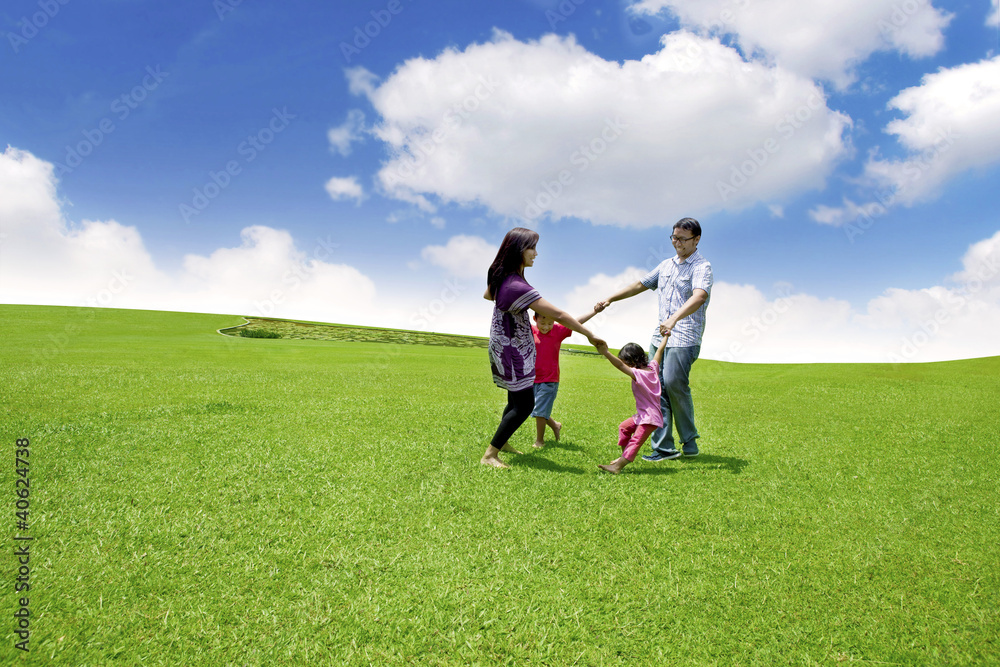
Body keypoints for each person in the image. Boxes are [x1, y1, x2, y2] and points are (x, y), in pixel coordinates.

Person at [483, 227, 605, 469]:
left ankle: (502, 442)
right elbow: (558, 314)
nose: (536, 253)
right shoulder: (517, 285)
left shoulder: (500, 274)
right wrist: (590, 334)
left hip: (505, 345)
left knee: (515, 401)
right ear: (519, 250)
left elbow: (488, 295)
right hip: (513, 350)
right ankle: (490, 455)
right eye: (532, 248)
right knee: (525, 405)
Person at [595, 217, 712, 461]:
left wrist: (674, 319)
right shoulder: (666, 265)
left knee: (673, 384)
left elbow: (699, 296)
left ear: (696, 239)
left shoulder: (702, 267)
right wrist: (610, 299)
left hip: (685, 336)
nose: (676, 243)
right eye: (674, 237)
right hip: (659, 337)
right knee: (655, 390)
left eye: (682, 239)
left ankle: (689, 442)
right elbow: (640, 284)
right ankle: (664, 448)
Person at [594, 335, 670, 474]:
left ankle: (617, 467)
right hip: (644, 415)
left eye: (625, 362)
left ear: (630, 361)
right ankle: (623, 457)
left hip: (649, 418)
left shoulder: (638, 374)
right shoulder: (653, 369)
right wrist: (666, 336)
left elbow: (619, 365)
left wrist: (605, 352)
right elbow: (659, 351)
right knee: (624, 427)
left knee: (636, 440)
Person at [530, 308, 598, 449]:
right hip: (531, 378)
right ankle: (555, 425)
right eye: (542, 323)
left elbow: (575, 321)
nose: (546, 327)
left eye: (550, 323)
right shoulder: (529, 330)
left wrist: (594, 311)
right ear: (535, 319)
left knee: (540, 411)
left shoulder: (557, 331)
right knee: (535, 409)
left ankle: (539, 441)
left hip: (550, 379)